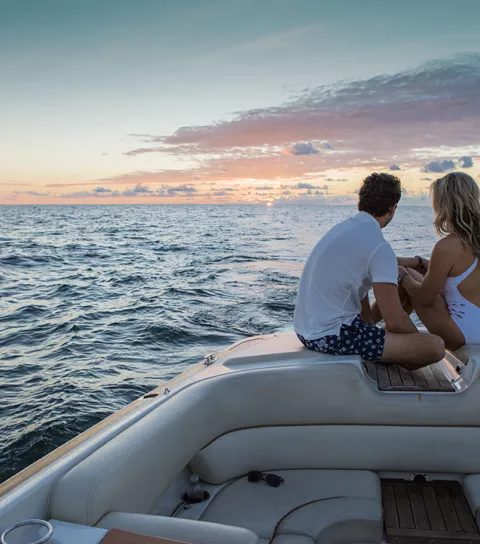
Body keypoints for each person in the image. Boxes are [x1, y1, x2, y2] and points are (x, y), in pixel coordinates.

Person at [294, 172, 445, 368]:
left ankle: (385, 344)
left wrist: (413, 262)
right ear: (393, 209)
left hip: (306, 329)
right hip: (333, 336)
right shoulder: (378, 246)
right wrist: (414, 347)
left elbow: (372, 261)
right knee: (435, 347)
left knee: (397, 292)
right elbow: (395, 321)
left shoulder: (344, 230)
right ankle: (391, 349)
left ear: (362, 202)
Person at [398, 172, 480, 350]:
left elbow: (424, 299)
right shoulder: (473, 241)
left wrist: (402, 273)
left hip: (464, 334)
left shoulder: (447, 246)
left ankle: (392, 333)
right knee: (417, 274)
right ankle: (392, 329)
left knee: (410, 276)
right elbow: (456, 274)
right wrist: (420, 261)